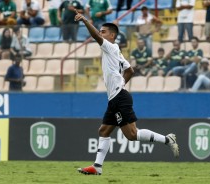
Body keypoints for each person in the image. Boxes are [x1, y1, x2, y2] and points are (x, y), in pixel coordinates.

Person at [74, 10, 179, 175]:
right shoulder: (116, 52)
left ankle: (167, 139)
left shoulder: (109, 47)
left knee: (132, 134)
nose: (100, 34)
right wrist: (121, 83)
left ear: (112, 36)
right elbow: (130, 70)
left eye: (103, 32)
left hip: (119, 98)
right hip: (116, 96)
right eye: (100, 31)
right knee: (104, 131)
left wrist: (86, 21)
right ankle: (97, 167)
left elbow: (95, 37)